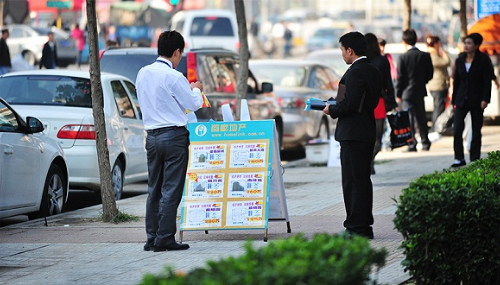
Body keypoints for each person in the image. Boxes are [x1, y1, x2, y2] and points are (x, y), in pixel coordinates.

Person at [135, 30, 203, 252]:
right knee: (171, 188)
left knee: (154, 188)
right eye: (181, 53)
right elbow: (192, 104)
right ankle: (164, 238)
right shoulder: (174, 76)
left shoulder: (143, 73)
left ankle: (151, 237)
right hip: (173, 137)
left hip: (152, 137)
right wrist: (196, 90)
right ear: (176, 52)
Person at [323, 31, 382, 239]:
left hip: (353, 134)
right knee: (362, 181)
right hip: (365, 131)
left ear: (350, 50)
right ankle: (363, 225)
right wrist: (335, 102)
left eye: (342, 50)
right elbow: (362, 100)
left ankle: (356, 227)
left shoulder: (356, 71)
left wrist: (332, 110)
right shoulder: (372, 69)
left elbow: (350, 103)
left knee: (353, 182)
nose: (342, 54)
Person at [450, 33, 495, 167]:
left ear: (476, 45)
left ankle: (474, 157)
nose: (466, 46)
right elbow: (456, 81)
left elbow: (487, 81)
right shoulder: (459, 60)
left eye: (469, 43)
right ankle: (459, 158)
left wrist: (485, 99)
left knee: (476, 129)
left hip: (477, 99)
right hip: (461, 99)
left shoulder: (483, 60)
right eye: (465, 43)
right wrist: (454, 100)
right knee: (457, 128)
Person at [365, 33, 398, 175]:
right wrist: (392, 100)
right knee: (378, 137)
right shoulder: (382, 60)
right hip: (378, 102)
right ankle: (370, 162)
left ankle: (367, 163)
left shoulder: (362, 61)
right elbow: (388, 83)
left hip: (364, 104)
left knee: (366, 137)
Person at [396, 29, 433, 152]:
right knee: (421, 118)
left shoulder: (402, 58)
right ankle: (425, 142)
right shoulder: (424, 55)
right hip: (420, 91)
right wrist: (422, 82)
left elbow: (400, 78)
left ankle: (412, 144)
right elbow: (430, 74)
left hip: (406, 93)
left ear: (404, 41)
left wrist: (398, 94)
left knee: (409, 119)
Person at [426, 35, 451, 132]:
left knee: (439, 106)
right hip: (438, 85)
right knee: (438, 107)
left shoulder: (434, 54)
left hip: (438, 85)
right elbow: (446, 62)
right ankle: (435, 128)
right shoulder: (433, 56)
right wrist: (443, 52)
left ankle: (437, 126)